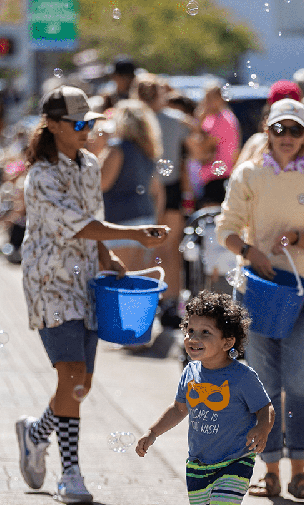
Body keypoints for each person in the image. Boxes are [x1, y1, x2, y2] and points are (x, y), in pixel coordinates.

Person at [15, 86, 168, 504]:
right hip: (50, 282)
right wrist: (133, 234)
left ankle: (35, 433)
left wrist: (109, 256)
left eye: (91, 123)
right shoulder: (41, 175)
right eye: (79, 124)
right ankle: (71, 473)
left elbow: (94, 219)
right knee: (71, 375)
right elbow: (78, 224)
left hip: (86, 281)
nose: (87, 130)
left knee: (82, 381)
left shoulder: (86, 164)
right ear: (53, 125)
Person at [216, 98, 304, 500]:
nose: (287, 138)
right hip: (259, 290)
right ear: (266, 131)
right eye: (278, 129)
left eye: (295, 130)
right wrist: (250, 251)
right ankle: (269, 471)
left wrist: (301, 238)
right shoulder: (249, 174)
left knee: (300, 381)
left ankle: (299, 472)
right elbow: (226, 228)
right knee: (264, 381)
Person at [135, 291, 274, 505]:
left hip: (235, 458)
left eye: (205, 333)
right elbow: (178, 408)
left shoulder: (242, 376)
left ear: (228, 342)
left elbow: (266, 408)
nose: (193, 338)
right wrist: (153, 432)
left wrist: (262, 427)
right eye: (190, 331)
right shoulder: (191, 371)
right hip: (199, 462)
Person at [133, 74, 193, 328]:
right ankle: (170, 303)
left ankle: (145, 302)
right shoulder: (176, 119)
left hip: (142, 187)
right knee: (171, 250)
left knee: (144, 250)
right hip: (171, 186)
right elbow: (198, 136)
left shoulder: (133, 120)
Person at [100, 98, 165, 273]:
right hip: (145, 217)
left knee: (117, 278)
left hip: (120, 222)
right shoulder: (149, 151)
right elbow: (156, 191)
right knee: (135, 279)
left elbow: (101, 184)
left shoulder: (116, 148)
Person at [193, 82, 240, 207]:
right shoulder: (211, 118)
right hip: (210, 177)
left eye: (211, 98)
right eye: (206, 98)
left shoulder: (223, 119)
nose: (206, 102)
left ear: (220, 99)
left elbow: (204, 148)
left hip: (219, 177)